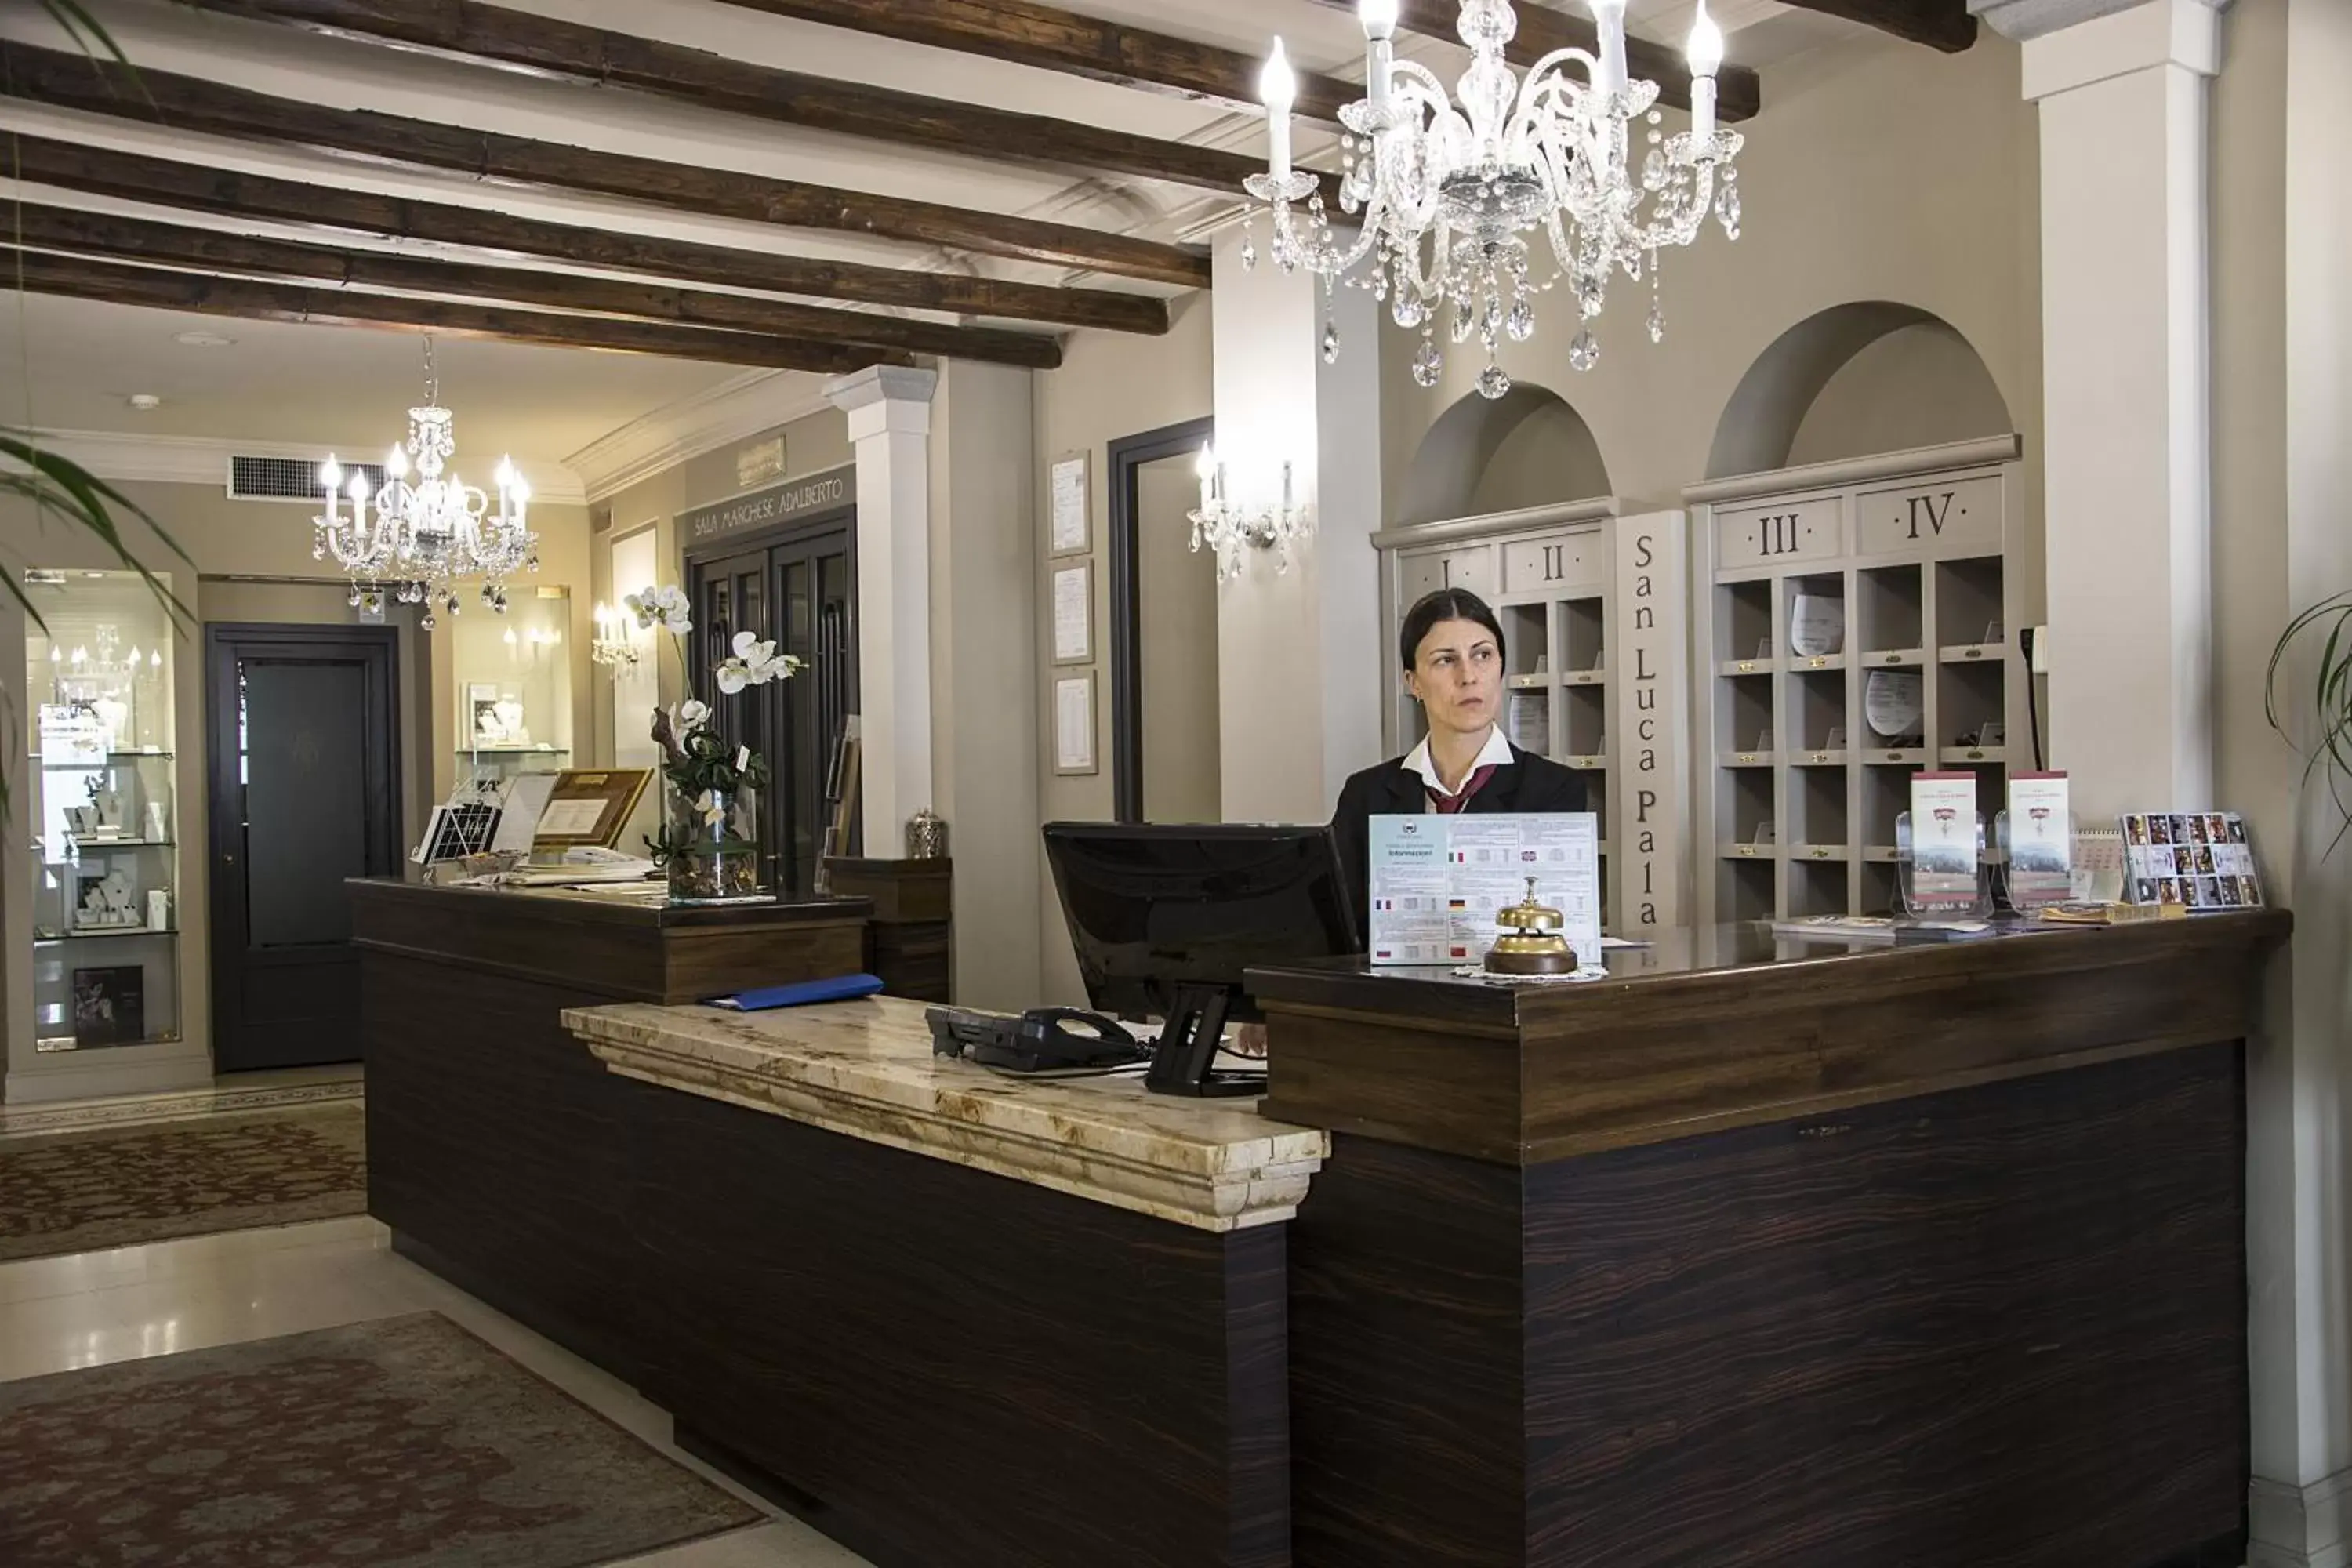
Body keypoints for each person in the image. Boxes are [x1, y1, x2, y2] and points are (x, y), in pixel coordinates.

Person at [1330, 586, 1588, 941]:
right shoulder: (1365, 795)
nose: (1468, 676)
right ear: (1413, 682)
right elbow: (1342, 931)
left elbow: (1556, 931)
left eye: (1482, 655)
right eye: (1445, 660)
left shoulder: (1554, 790)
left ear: (1500, 668)